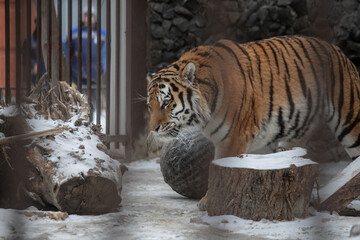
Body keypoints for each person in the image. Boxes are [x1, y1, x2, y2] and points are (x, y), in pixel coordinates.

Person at [63, 7, 106, 91]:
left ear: (95, 18)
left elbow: (106, 53)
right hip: (76, 73)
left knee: (94, 100)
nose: (87, 19)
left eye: (90, 16)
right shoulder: (74, 32)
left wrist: (103, 69)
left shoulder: (103, 34)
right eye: (85, 16)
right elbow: (67, 50)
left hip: (95, 74)